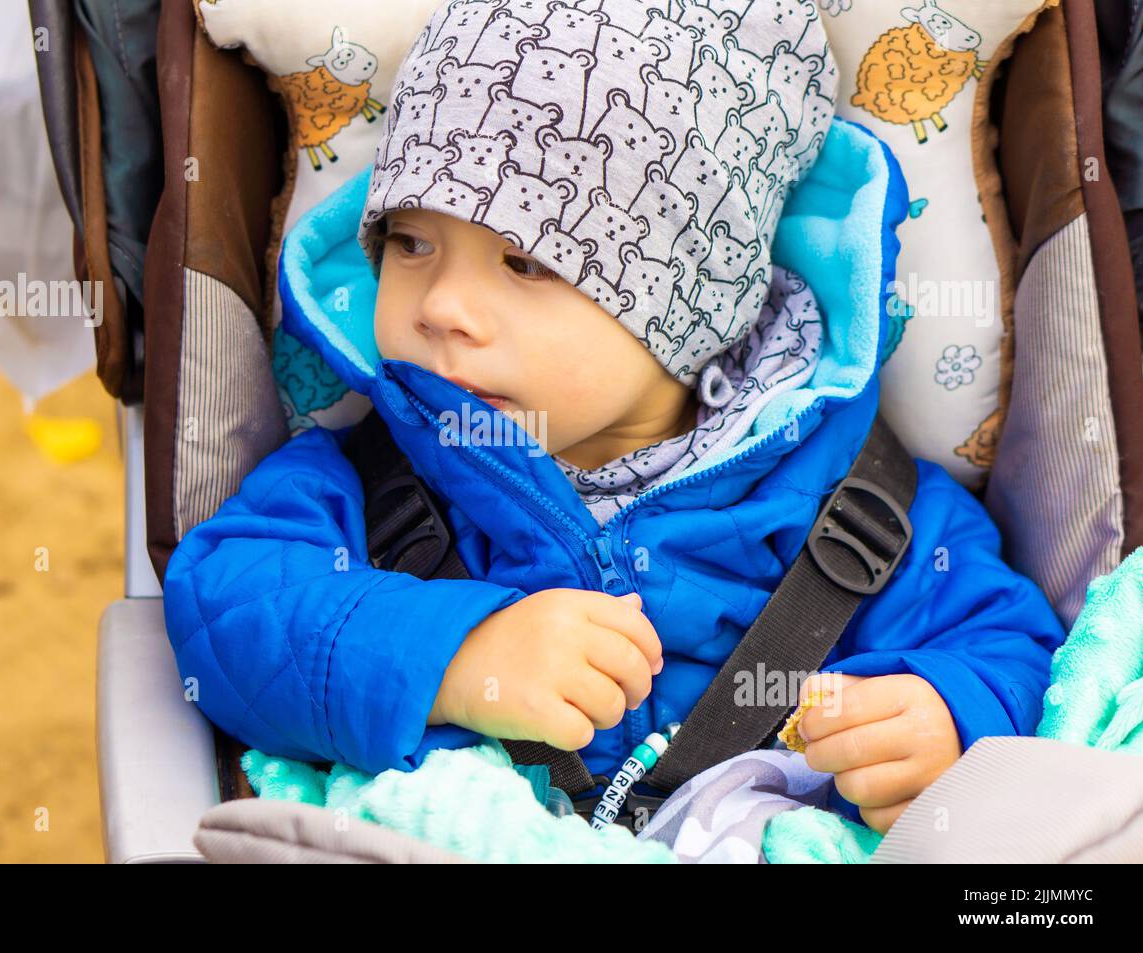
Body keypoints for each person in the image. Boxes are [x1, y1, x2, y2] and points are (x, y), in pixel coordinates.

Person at [162, 0, 1065, 834]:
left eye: (524, 264)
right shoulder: (367, 476)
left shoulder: (859, 507)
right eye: (409, 242)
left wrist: (947, 711)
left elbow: (1008, 645)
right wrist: (452, 656)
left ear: (685, 307)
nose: (440, 306)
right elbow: (224, 605)